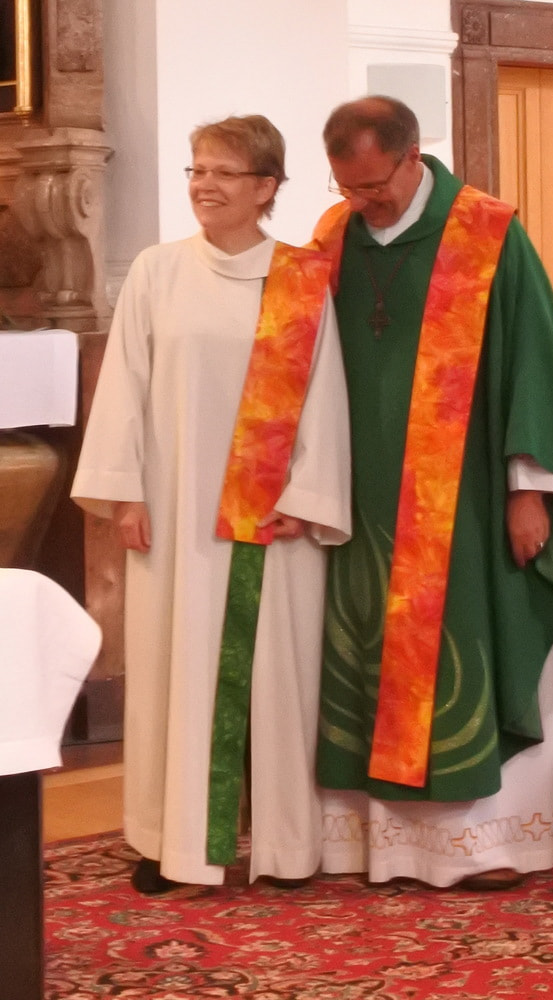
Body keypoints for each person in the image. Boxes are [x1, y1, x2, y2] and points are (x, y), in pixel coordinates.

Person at [311, 96, 553, 889]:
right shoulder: (333, 236)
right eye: (346, 188)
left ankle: (485, 845)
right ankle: (376, 845)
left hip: (466, 495)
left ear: (413, 156)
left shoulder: (487, 234)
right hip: (362, 495)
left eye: (374, 186)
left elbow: (534, 364)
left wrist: (527, 491)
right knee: (367, 646)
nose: (361, 204)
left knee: (471, 637)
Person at [71, 115, 351, 892]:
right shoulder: (158, 271)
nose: (204, 185)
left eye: (224, 172)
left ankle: (285, 845)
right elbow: (123, 386)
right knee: (176, 672)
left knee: (278, 678)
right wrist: (124, 494)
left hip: (271, 518)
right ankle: (172, 842)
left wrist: (307, 496)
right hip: (176, 511)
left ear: (266, 187)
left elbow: (325, 393)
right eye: (196, 170)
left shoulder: (299, 277)